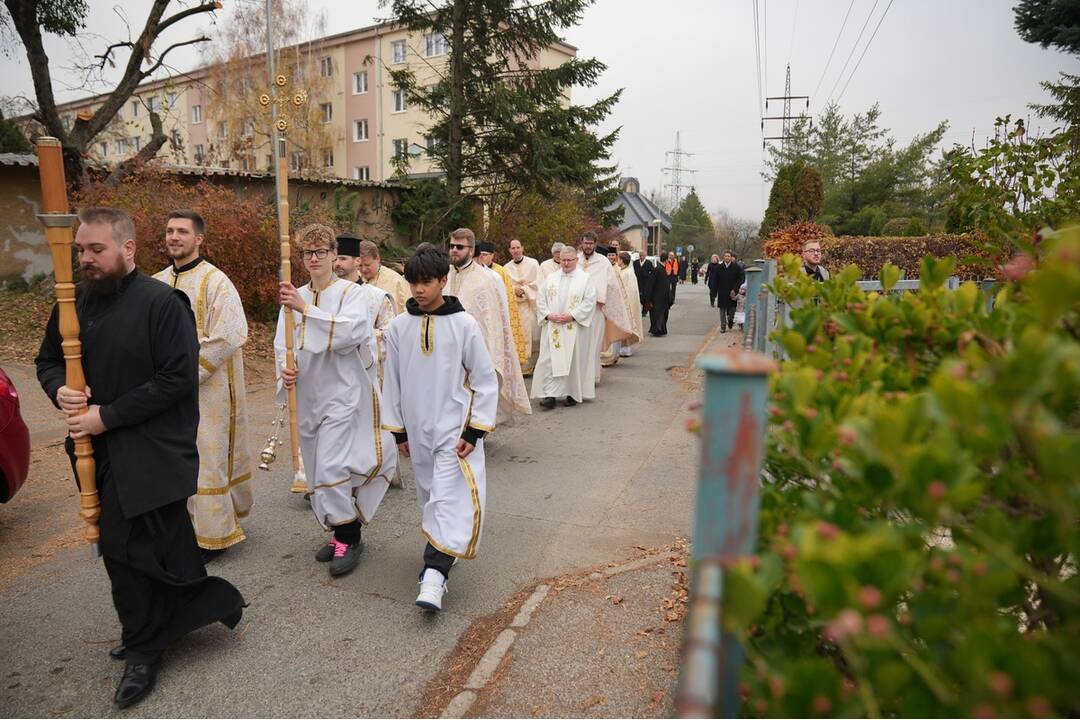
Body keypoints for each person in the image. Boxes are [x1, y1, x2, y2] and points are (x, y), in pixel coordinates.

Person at [36, 207, 244, 709]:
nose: (86, 259)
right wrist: (60, 390)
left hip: (154, 449)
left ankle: (145, 647)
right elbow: (47, 361)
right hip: (100, 450)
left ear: (127, 249)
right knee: (158, 546)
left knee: (122, 547)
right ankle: (176, 617)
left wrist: (105, 416)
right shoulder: (74, 302)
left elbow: (175, 380)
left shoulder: (162, 303)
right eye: (80, 250)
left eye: (96, 250)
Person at [381, 247, 499, 612]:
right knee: (431, 498)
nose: (418, 289)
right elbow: (393, 382)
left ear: (443, 281)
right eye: (412, 282)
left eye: (426, 282)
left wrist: (474, 431)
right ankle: (445, 552)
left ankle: (434, 576)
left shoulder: (464, 325)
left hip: (453, 431)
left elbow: (484, 379)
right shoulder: (400, 327)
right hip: (418, 432)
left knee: (448, 497)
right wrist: (399, 432)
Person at [275, 224, 395, 578]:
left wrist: (306, 310)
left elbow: (352, 332)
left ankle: (349, 537)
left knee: (331, 465)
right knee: (315, 468)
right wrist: (286, 370)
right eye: (307, 253)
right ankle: (338, 530)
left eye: (321, 252)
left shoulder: (352, 294)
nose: (313, 259)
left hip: (343, 393)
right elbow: (281, 341)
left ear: (333, 255)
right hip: (309, 392)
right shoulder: (293, 294)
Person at [152, 209, 253, 561]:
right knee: (170, 457)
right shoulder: (156, 281)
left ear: (199, 239)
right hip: (164, 389)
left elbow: (227, 336)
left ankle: (213, 535)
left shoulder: (216, 282)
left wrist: (182, 376)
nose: (174, 237)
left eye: (182, 231)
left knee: (205, 457)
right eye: (169, 231)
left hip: (207, 389)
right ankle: (180, 529)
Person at [446, 228, 531, 420]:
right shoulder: (445, 275)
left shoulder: (485, 280)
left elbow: (492, 322)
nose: (454, 250)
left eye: (459, 247)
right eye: (451, 246)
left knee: (472, 398)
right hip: (447, 349)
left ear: (471, 250)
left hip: (475, 349)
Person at [531, 246, 598, 408]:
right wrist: (548, 314)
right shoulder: (551, 278)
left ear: (576, 260)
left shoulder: (585, 279)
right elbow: (540, 299)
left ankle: (572, 393)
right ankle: (549, 395)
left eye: (569, 260)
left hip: (573, 327)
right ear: (559, 260)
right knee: (549, 360)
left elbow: (590, 301)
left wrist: (572, 315)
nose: (566, 263)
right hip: (553, 325)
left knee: (573, 360)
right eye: (563, 260)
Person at [577, 232, 633, 379]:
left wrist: (600, 298)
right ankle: (578, 377)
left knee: (594, 345)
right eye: (585, 243)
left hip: (596, 310)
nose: (588, 246)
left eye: (591, 243)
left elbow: (612, 286)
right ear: (581, 243)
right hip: (576, 310)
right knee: (579, 345)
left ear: (595, 244)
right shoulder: (575, 259)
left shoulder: (603, 262)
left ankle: (592, 376)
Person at [476, 241, 530, 372]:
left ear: (492, 256)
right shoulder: (475, 271)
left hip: (497, 316)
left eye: (485, 254)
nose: (482, 257)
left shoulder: (500, 271)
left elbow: (507, 297)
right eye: (480, 255)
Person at [504, 238, 541, 374]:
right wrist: (514, 290)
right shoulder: (506, 268)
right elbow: (506, 286)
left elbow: (538, 283)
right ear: (509, 250)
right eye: (513, 248)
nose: (516, 250)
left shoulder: (533, 264)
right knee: (516, 335)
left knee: (534, 335)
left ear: (522, 248)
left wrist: (524, 290)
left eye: (518, 247)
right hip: (515, 308)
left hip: (530, 305)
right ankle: (520, 367)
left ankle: (533, 365)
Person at [357, 238, 411, 314]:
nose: (363, 269)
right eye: (360, 265)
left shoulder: (395, 281)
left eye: (367, 265)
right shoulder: (354, 277)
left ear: (377, 259)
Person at [615, 251, 644, 357]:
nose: (617, 261)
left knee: (626, 326)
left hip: (625, 304)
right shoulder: (623, 271)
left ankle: (625, 348)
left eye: (618, 259)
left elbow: (629, 291)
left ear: (622, 261)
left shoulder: (627, 273)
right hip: (621, 303)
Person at [715, 250, 745, 333]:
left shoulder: (736, 267)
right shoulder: (719, 268)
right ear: (723, 257)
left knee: (732, 310)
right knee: (722, 310)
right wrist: (715, 291)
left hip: (733, 292)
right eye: (725, 256)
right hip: (722, 291)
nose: (727, 257)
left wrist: (735, 289)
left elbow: (741, 279)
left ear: (731, 257)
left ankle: (730, 320)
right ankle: (723, 327)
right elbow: (715, 280)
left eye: (728, 256)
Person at [643, 255, 673, 336]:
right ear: (666, 260)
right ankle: (657, 330)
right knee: (658, 314)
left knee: (660, 314)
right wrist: (648, 298)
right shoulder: (658, 269)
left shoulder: (660, 269)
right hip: (657, 297)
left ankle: (659, 329)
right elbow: (651, 284)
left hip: (660, 296)